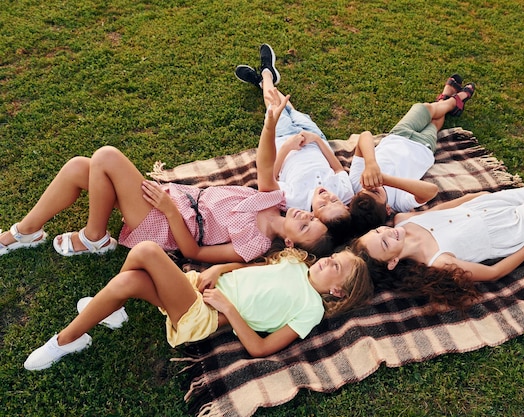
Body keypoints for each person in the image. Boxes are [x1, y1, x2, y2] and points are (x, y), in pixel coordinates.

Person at [0, 86, 334, 263]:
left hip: (166, 221)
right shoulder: (274, 200)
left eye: (305, 225)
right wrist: (270, 123)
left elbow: (195, 254)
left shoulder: (255, 244)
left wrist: (170, 210)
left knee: (107, 157)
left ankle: (94, 238)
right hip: (171, 198)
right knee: (78, 167)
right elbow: (265, 163)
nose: (305, 214)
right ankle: (26, 231)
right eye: (311, 217)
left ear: (290, 243)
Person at [23, 240, 373, 370]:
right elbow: (249, 271)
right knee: (126, 282)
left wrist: (229, 308)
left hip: (205, 313)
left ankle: (63, 342)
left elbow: (262, 348)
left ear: (338, 293)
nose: (328, 261)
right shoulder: (295, 264)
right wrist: (220, 267)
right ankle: (106, 313)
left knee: (146, 251)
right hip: (199, 288)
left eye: (336, 267)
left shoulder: (311, 308)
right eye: (333, 256)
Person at [353, 145, 524, 285]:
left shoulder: (404, 221)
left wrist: (474, 197)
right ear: (393, 262)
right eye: (386, 242)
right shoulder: (438, 263)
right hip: (514, 228)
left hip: (491, 205)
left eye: (378, 231)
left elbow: (441, 209)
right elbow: (493, 273)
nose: (386, 231)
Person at [235, 44, 354, 239]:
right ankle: (265, 80)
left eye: (323, 205)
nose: (328, 197)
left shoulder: (294, 201)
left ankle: (266, 74)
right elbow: (338, 168)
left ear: (314, 216)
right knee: (290, 109)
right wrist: (316, 140)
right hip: (313, 137)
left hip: (283, 141)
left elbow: (271, 175)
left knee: (274, 106)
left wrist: (288, 147)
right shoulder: (345, 191)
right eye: (336, 202)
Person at [349, 74, 476, 236]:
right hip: (422, 147)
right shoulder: (399, 202)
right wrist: (384, 179)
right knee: (434, 123)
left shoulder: (356, 182)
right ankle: (451, 100)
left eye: (365, 190)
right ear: (388, 210)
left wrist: (371, 163)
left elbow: (365, 136)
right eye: (375, 192)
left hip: (398, 135)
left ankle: (452, 101)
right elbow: (431, 190)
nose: (371, 186)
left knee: (423, 108)